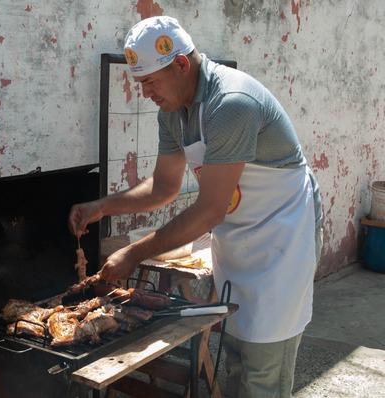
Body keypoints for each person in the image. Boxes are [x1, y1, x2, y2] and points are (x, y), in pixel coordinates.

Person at [68, 16, 323, 398]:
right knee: (236, 352)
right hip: (238, 239)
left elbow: (209, 212)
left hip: (281, 240)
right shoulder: (173, 112)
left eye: (150, 82)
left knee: (264, 369)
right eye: (141, 84)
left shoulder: (232, 104)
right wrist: (102, 207)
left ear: (182, 64)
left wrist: (135, 253)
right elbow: (164, 186)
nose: (145, 93)